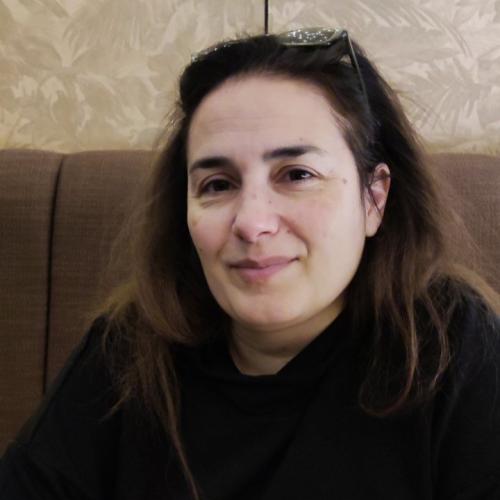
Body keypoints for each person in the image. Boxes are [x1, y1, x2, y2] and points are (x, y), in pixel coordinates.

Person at [1, 27, 499, 500]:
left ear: (374, 200)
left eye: (297, 174)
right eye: (217, 184)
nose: (252, 223)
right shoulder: (127, 350)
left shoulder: (452, 344)